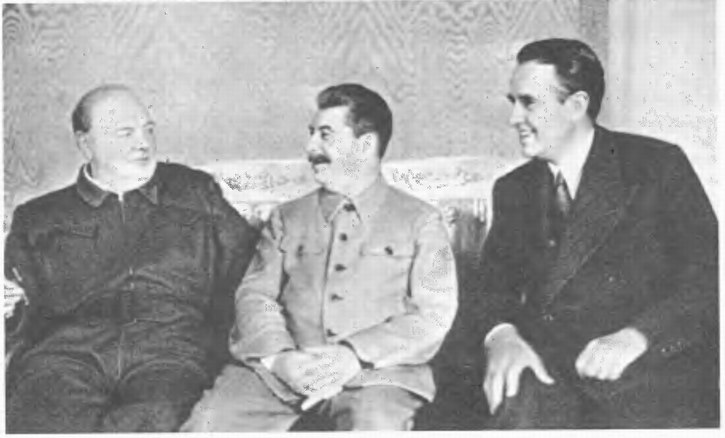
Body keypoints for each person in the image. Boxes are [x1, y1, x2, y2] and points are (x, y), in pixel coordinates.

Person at [181, 83, 459, 431]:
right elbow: (255, 295)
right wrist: (280, 358)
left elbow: (433, 315)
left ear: (365, 145)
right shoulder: (286, 218)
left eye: (325, 135)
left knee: (375, 426)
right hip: (280, 377)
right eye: (311, 134)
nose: (310, 147)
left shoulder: (421, 221)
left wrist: (354, 354)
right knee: (207, 424)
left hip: (378, 376)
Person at [473, 38, 718, 428]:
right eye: (512, 102)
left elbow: (708, 278)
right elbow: (490, 288)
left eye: (528, 103)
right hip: (548, 378)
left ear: (576, 105)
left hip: (648, 375)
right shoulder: (513, 188)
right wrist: (501, 336)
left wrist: (638, 336)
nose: (514, 118)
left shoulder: (656, 166)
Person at [3, 84, 259, 432]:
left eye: (148, 130)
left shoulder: (195, 192)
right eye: (125, 133)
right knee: (43, 414)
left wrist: (217, 343)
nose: (143, 143)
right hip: (66, 356)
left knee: (157, 420)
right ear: (85, 143)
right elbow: (20, 308)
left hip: (171, 352)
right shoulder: (39, 218)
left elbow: (250, 271)